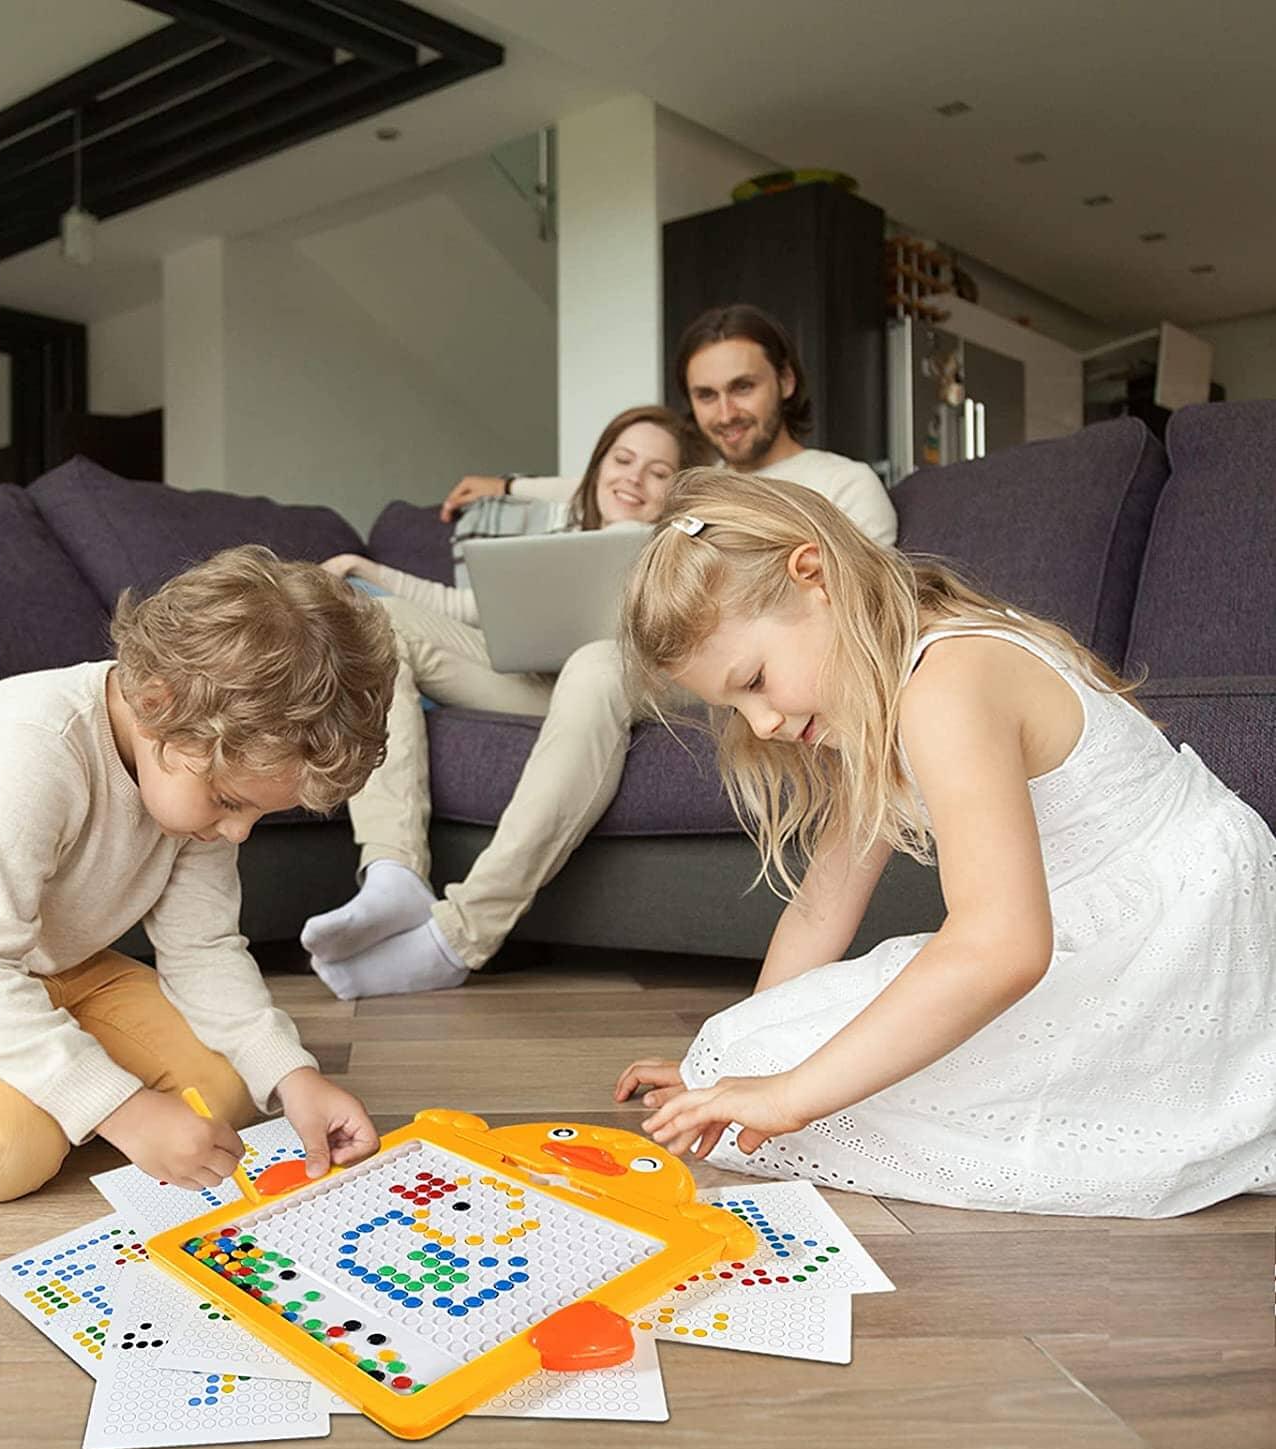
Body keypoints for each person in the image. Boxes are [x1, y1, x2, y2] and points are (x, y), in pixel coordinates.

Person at [614, 471, 1276, 1217]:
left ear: (815, 577)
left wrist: (786, 1092)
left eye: (756, 680)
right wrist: (743, 1051)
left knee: (785, 1097)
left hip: (1170, 941)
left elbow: (1001, 948)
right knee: (738, 1055)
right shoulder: (886, 686)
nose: (760, 724)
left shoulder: (948, 682)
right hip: (1093, 929)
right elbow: (821, 905)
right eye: (734, 705)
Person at [0, 546, 396, 1204]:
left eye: (258, 813)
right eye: (229, 802)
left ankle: (50, 1080)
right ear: (160, 706)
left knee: (226, 1092)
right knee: (2, 1149)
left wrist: (294, 1076)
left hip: (47, 959)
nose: (238, 832)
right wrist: (123, 1111)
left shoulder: (196, 779)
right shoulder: (33, 751)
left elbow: (202, 949)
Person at [306, 405, 707, 999]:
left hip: (640, 678)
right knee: (377, 622)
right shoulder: (565, 542)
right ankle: (393, 872)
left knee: (596, 662)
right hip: (550, 687)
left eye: (657, 472)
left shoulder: (693, 541)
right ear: (596, 469)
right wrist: (368, 568)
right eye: (621, 462)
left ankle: (460, 936)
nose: (632, 480)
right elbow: (468, 609)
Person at [441, 303, 897, 548]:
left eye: (742, 388)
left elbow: (871, 608)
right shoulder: (692, 488)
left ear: (786, 380)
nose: (725, 414)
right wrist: (506, 486)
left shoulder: (844, 483)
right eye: (706, 395)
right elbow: (601, 486)